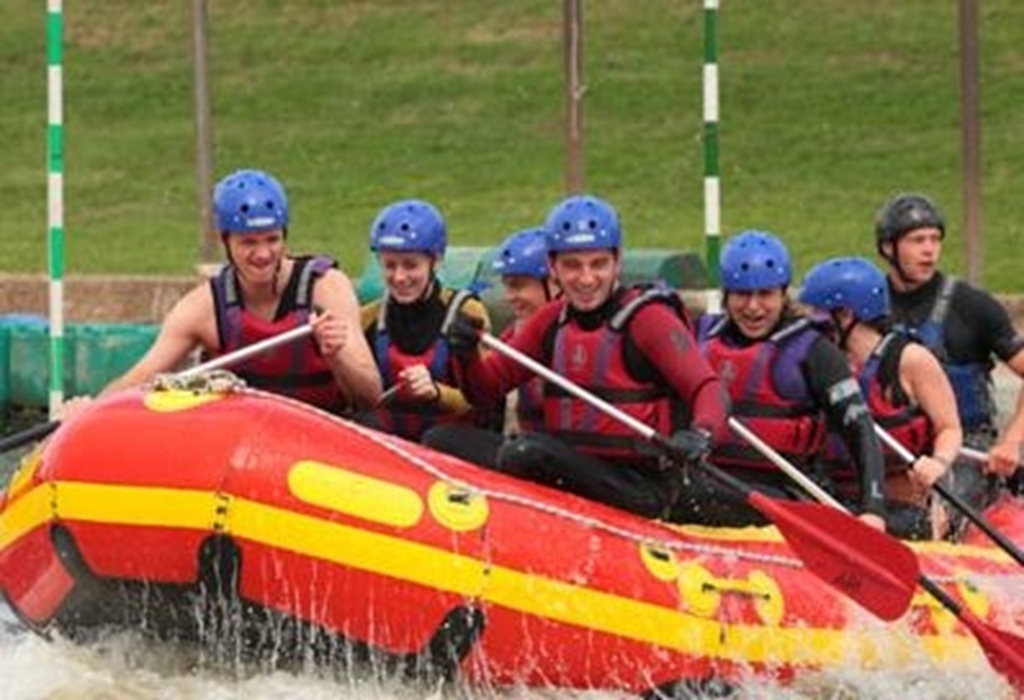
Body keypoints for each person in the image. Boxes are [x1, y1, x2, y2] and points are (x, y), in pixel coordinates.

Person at [445, 194, 730, 522]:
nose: (586, 278)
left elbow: (709, 387)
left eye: (598, 264)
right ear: (553, 266)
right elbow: (485, 389)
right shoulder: (550, 321)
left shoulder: (649, 320)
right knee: (444, 439)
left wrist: (701, 435)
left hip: (640, 486)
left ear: (617, 261)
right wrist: (465, 355)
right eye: (572, 265)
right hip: (572, 469)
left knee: (526, 453)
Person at [99, 168, 382, 413]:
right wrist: (87, 410)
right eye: (249, 242)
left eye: (272, 240)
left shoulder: (327, 288)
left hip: (323, 439)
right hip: (244, 452)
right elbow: (137, 381)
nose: (262, 254)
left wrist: (337, 356)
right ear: (226, 241)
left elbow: (370, 396)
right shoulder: (203, 308)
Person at [693, 231, 887, 530]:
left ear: (783, 295)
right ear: (726, 295)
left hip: (786, 496)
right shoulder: (699, 338)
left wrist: (873, 509)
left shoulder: (815, 351)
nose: (753, 307)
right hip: (708, 483)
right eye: (743, 294)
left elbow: (860, 430)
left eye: (766, 294)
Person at [799, 256, 962, 539]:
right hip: (834, 497)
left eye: (819, 317)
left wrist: (939, 462)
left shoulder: (911, 360)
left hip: (903, 506)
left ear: (846, 315)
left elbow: (949, 427)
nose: (812, 328)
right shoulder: (819, 363)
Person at [874, 193, 1024, 498]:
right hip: (893, 446)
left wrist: (1012, 441)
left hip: (966, 449)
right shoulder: (868, 306)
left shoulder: (972, 305)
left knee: (944, 501)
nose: (929, 250)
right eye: (917, 240)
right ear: (888, 247)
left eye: (934, 239)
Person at [359, 198, 499, 442]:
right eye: (390, 266)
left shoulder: (467, 312)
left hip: (451, 448)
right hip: (393, 448)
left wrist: (437, 393)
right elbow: (354, 399)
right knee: (364, 425)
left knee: (438, 438)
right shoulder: (368, 318)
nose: (400, 277)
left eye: (411, 265)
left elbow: (488, 398)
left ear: (436, 260)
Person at [422, 226, 559, 466]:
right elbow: (482, 395)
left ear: (553, 283)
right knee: (439, 438)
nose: (509, 296)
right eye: (507, 285)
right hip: (520, 447)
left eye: (518, 285)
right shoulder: (512, 336)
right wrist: (467, 357)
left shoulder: (571, 333)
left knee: (523, 454)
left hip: (561, 455)